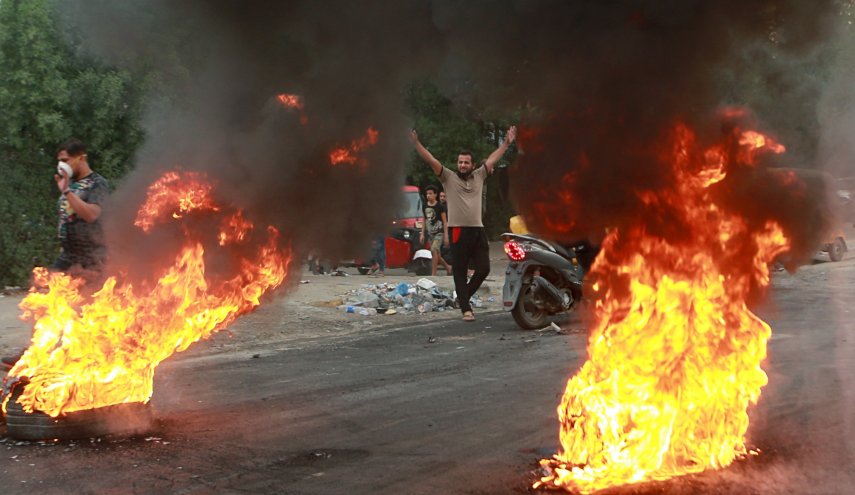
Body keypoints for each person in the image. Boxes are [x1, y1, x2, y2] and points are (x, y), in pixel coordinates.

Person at [2, 138, 110, 371]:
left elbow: (92, 215)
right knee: (43, 296)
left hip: (92, 258)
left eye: (65, 160)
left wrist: (68, 192)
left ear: (81, 157)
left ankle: (92, 360)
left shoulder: (97, 184)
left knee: (88, 309)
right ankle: (34, 352)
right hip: (69, 255)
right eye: (59, 161)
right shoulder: (67, 184)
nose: (61, 165)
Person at [410, 126, 516, 321]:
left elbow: (493, 158)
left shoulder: (480, 175)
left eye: (466, 162)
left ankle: (463, 296)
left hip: (478, 230)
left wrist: (507, 143)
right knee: (459, 269)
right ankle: (466, 309)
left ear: (472, 164)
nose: (463, 165)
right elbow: (431, 160)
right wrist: (416, 143)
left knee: (484, 268)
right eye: (460, 162)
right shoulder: (448, 177)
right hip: (458, 230)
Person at [419, 185, 452, 276]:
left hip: (439, 233)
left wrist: (446, 235)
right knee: (436, 254)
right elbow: (424, 220)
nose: (428, 196)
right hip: (430, 233)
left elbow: (445, 222)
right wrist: (422, 233)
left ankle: (433, 274)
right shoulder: (425, 206)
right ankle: (448, 267)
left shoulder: (440, 207)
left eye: (430, 194)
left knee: (434, 250)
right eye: (427, 194)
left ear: (435, 194)